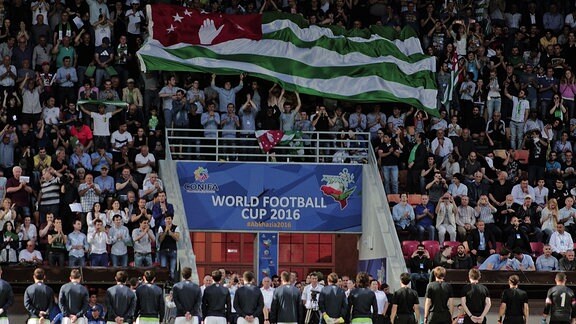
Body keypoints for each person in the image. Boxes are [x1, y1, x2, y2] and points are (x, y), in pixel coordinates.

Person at [158, 214, 180, 281]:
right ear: (164, 220)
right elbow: (160, 240)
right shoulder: (161, 227)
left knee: (172, 270)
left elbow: (177, 238)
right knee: (163, 269)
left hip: (173, 250)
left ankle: (172, 284)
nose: (168, 220)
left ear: (172, 220)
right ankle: (164, 283)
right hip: (163, 250)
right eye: (166, 219)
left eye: (169, 219)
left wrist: (170, 232)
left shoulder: (176, 227)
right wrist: (165, 231)